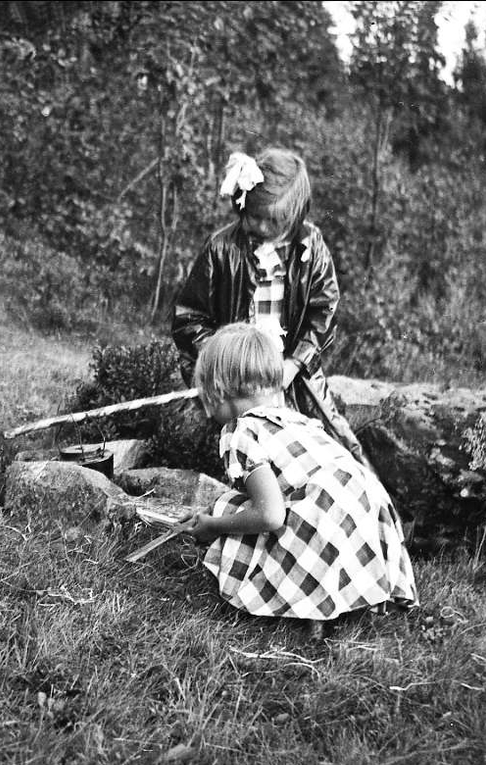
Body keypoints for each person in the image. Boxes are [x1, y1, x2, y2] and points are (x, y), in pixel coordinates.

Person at [178, 323, 416, 623]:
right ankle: (355, 596)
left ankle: (308, 606)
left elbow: (270, 516)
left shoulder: (240, 431)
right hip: (366, 505)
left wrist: (213, 525)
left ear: (218, 390)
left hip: (325, 512)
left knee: (233, 508)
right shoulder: (293, 418)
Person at [171, 147, 367, 462]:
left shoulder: (310, 247)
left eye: (272, 220)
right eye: (255, 217)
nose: (262, 227)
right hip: (237, 376)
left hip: (289, 373)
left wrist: (295, 363)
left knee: (324, 447)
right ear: (242, 203)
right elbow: (189, 318)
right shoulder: (222, 249)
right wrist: (225, 360)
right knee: (246, 449)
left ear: (294, 214)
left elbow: (324, 309)